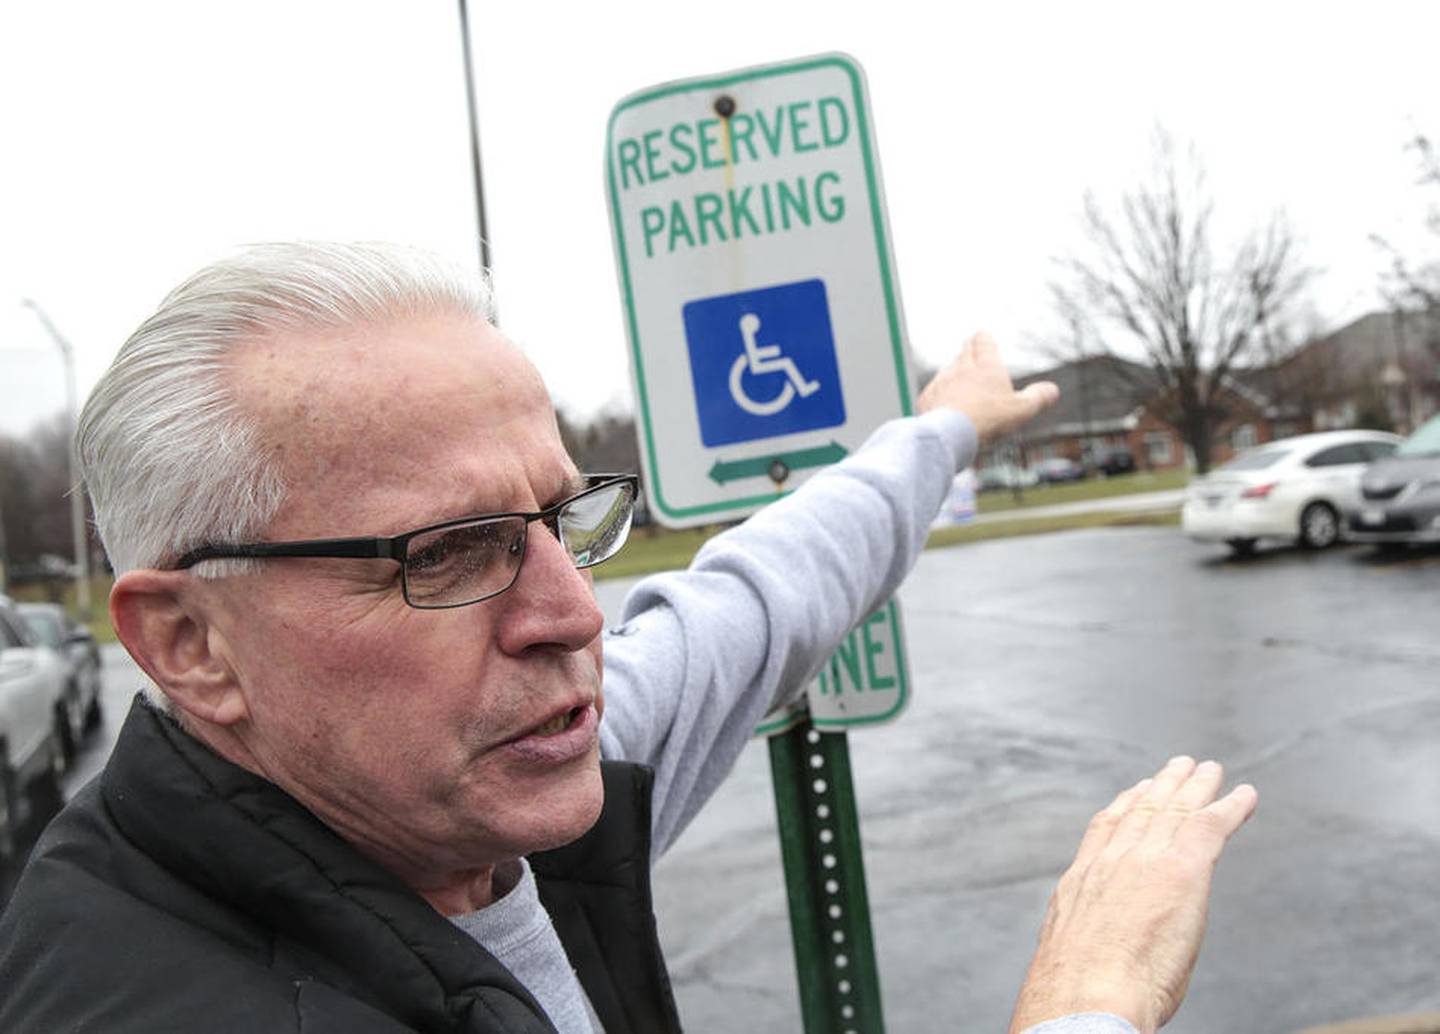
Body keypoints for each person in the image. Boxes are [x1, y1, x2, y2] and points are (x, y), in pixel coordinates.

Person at [0, 243, 1256, 1033]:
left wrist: (942, 432)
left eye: (559, 519)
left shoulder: (478, 779)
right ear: (191, 641)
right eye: (445, 549)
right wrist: (1088, 1004)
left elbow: (756, 598)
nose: (571, 613)